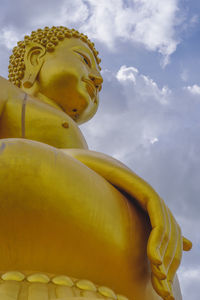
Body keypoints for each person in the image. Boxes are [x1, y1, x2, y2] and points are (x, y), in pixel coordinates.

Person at [0, 26, 191, 300]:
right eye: (84, 60)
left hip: (71, 204)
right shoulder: (6, 92)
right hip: (19, 192)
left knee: (150, 259)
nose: (98, 79)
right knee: (22, 165)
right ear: (34, 58)